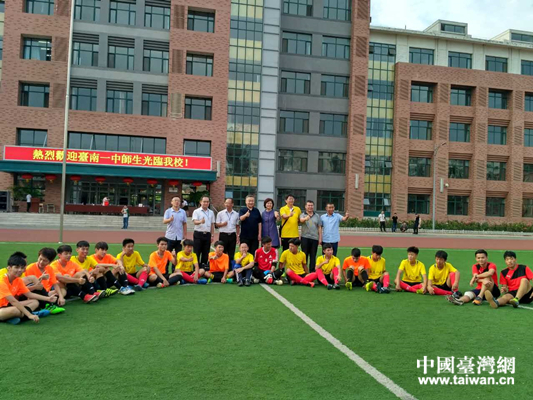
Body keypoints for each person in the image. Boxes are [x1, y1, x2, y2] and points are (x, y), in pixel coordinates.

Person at [0, 254, 57, 325]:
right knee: (15, 310)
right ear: (9, 268)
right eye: (16, 267)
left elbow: (29, 294)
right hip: (2, 308)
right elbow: (13, 301)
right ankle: (30, 314)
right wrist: (29, 315)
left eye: (22, 268)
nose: (20, 270)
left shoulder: (18, 280)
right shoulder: (1, 281)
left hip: (8, 305)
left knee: (35, 302)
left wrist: (48, 298)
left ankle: (12, 318)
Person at [22, 248, 66, 314]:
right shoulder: (30, 268)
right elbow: (28, 288)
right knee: (38, 292)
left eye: (45, 261)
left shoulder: (49, 268)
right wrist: (41, 278)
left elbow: (55, 284)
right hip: (34, 293)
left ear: (50, 262)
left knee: (63, 291)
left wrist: (61, 297)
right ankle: (49, 304)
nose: (41, 262)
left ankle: (50, 301)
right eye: (40, 259)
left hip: (46, 293)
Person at [192, 196, 215, 266]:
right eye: (204, 202)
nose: (206, 203)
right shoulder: (196, 211)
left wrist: (212, 235)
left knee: (206, 252)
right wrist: (200, 221)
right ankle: (196, 268)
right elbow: (195, 222)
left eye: (207, 202)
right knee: (197, 252)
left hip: (207, 234)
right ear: (200, 202)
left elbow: (212, 224)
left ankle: (203, 267)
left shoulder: (211, 212)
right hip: (198, 234)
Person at [300, 200, 322, 272]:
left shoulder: (317, 216)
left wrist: (320, 238)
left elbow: (319, 227)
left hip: (314, 238)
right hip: (305, 237)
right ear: (305, 206)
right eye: (308, 205)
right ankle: (304, 271)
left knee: (313, 256)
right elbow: (301, 220)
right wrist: (305, 218)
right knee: (304, 255)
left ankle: (312, 272)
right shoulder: (303, 214)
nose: (310, 207)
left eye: (311, 205)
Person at [215, 198, 240, 262]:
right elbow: (217, 224)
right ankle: (222, 265)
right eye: (226, 203)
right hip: (223, 235)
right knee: (222, 252)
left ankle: (230, 266)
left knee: (231, 252)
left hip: (232, 235)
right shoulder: (220, 213)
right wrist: (222, 224)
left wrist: (237, 236)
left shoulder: (236, 214)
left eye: (229, 203)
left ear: (232, 204)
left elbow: (237, 226)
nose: (227, 204)